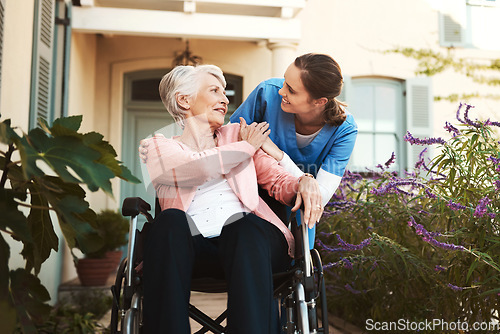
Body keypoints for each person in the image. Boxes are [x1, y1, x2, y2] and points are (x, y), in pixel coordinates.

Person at [140, 64, 322, 333]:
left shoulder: (237, 134)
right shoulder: (158, 146)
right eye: (214, 90)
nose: (225, 99)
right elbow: (196, 168)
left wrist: (302, 183)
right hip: (190, 248)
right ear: (184, 100)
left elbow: (277, 180)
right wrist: (247, 147)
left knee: (243, 225)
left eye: (226, 92)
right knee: (169, 221)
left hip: (249, 246)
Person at [229, 53, 358, 243]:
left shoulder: (344, 131)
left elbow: (318, 196)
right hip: (247, 201)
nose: (281, 91)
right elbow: (229, 142)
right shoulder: (266, 93)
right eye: (284, 82)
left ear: (320, 101)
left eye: (291, 90)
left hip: (297, 213)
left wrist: (278, 155)